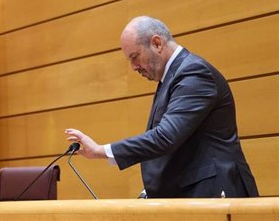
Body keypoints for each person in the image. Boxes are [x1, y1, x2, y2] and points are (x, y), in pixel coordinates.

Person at [65, 16, 258, 198]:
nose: (133, 67)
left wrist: (100, 151)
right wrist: (150, 191)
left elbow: (165, 137)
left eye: (135, 57)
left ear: (157, 43)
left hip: (217, 194)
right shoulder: (171, 78)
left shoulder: (194, 73)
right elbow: (176, 148)